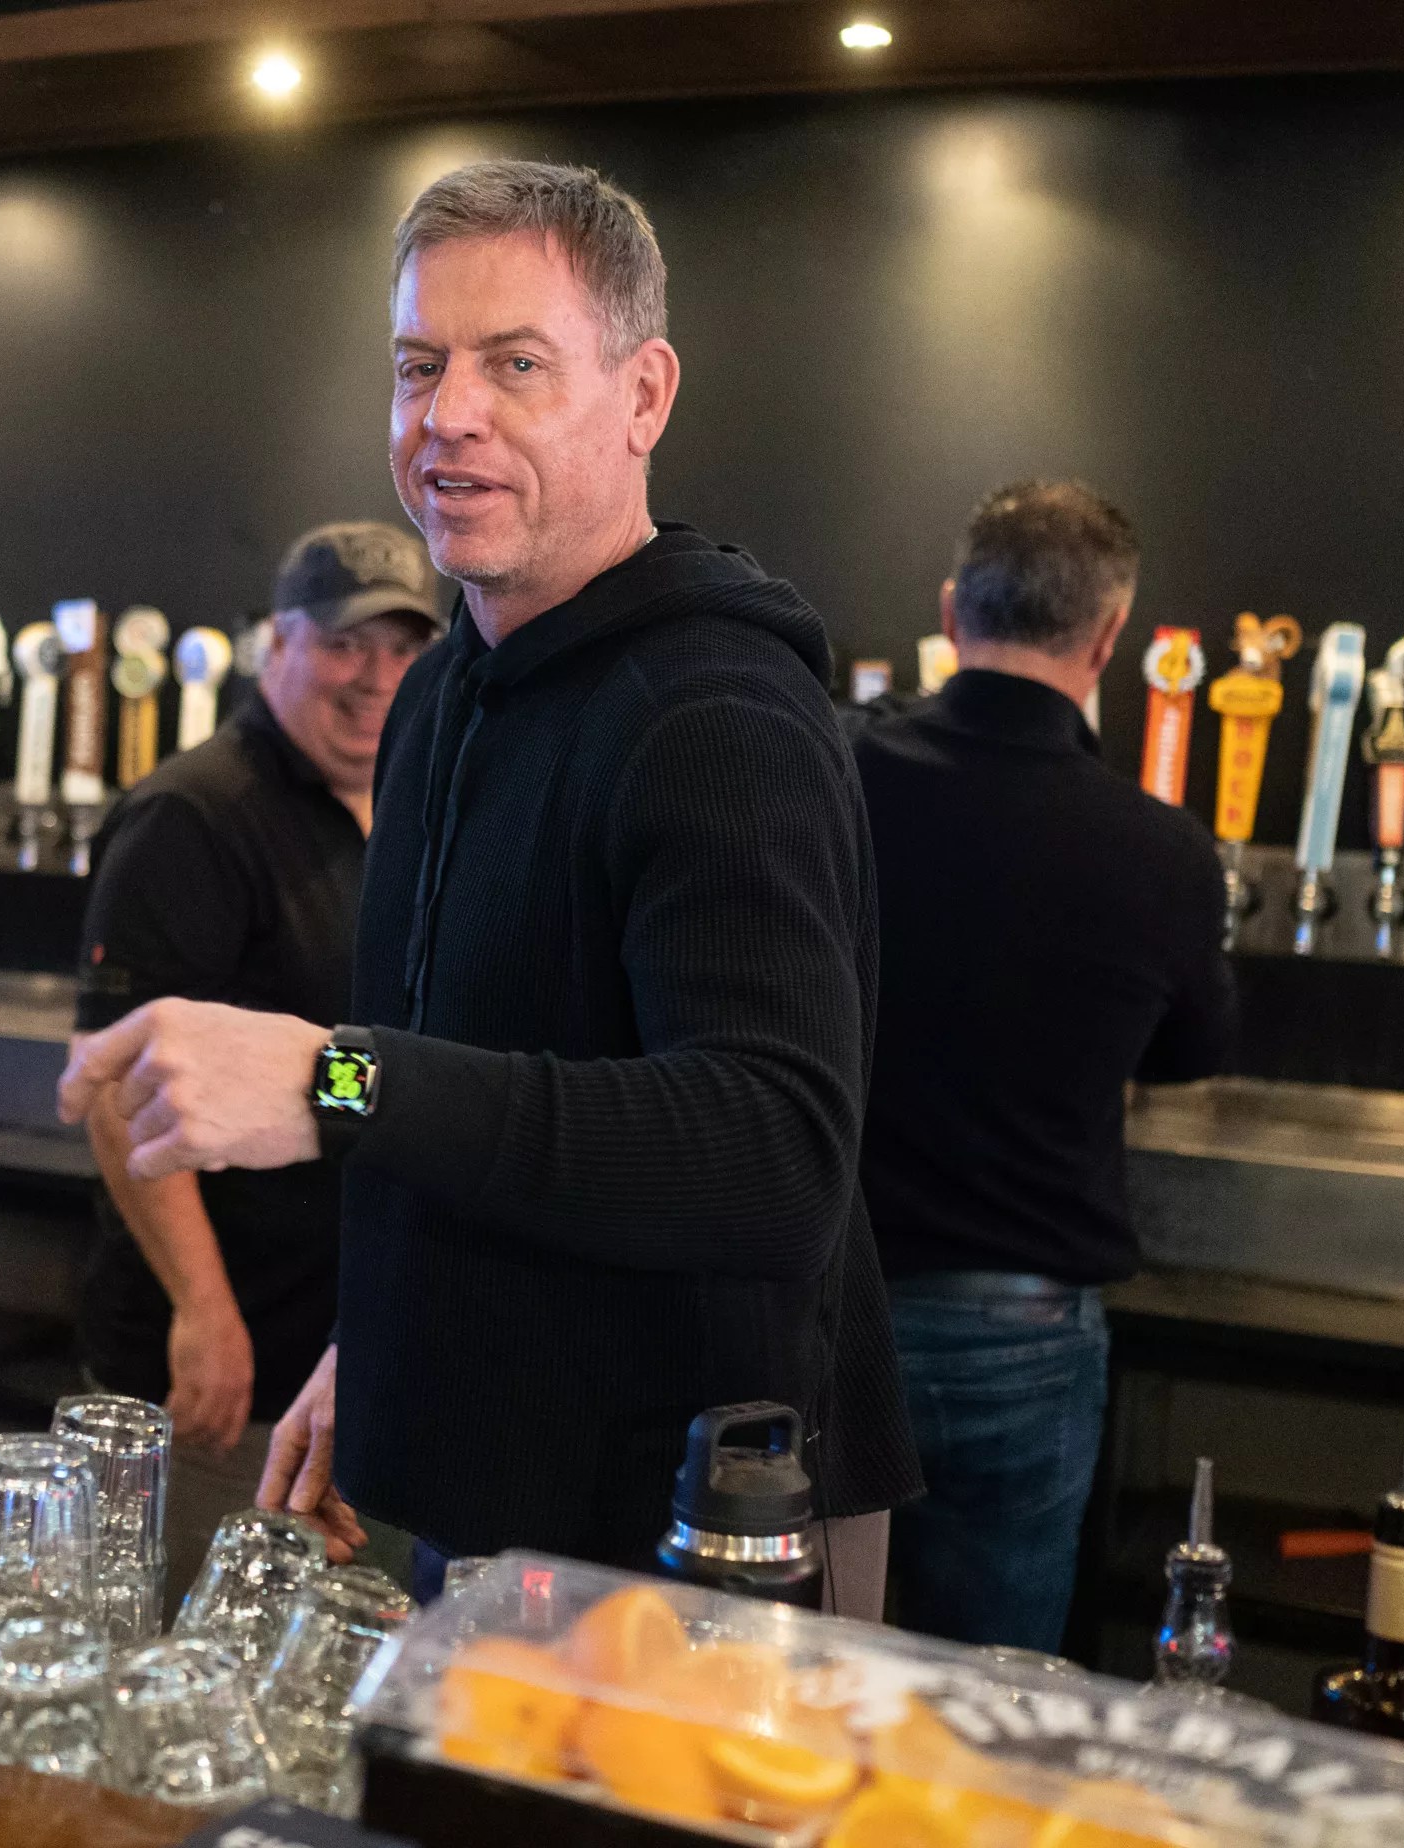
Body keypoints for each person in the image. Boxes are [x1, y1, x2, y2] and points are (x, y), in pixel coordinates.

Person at [60, 160, 916, 1615]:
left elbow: (774, 1157)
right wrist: (384, 1344)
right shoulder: (448, 689)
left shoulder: (718, 716)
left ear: (642, 397)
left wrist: (335, 1078)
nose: (446, 413)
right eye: (418, 366)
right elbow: (475, 1085)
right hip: (494, 1492)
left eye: (515, 365)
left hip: (704, 1527)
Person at [848, 480, 1237, 1654]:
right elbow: (1194, 1054)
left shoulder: (833, 782)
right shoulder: (1161, 852)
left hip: (829, 1309)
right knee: (997, 1697)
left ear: (950, 609)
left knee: (797, 1678)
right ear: (1109, 638)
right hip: (1021, 1333)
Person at [73, 521, 442, 1598]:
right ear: (275, 642)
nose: (375, 677)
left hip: (340, 1357)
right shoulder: (194, 815)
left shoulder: (402, 808)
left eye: (403, 646)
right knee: (185, 1650)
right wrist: (203, 1310)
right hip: (218, 1370)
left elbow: (360, 1064)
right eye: (344, 644)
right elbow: (114, 1084)